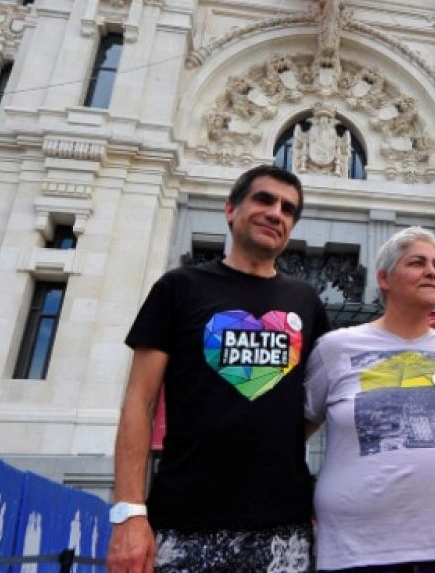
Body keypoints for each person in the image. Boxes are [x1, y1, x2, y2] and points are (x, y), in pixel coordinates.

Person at [111, 165, 328, 573]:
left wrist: (432, 329)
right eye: (264, 200)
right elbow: (138, 402)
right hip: (183, 523)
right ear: (231, 210)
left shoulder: (306, 302)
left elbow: (327, 390)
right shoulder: (178, 288)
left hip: (283, 529)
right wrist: (128, 512)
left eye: (288, 209)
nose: (276, 213)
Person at [304, 226, 435, 573]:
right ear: (384, 278)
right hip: (358, 549)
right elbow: (294, 434)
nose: (432, 272)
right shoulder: (335, 349)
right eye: (418, 263)